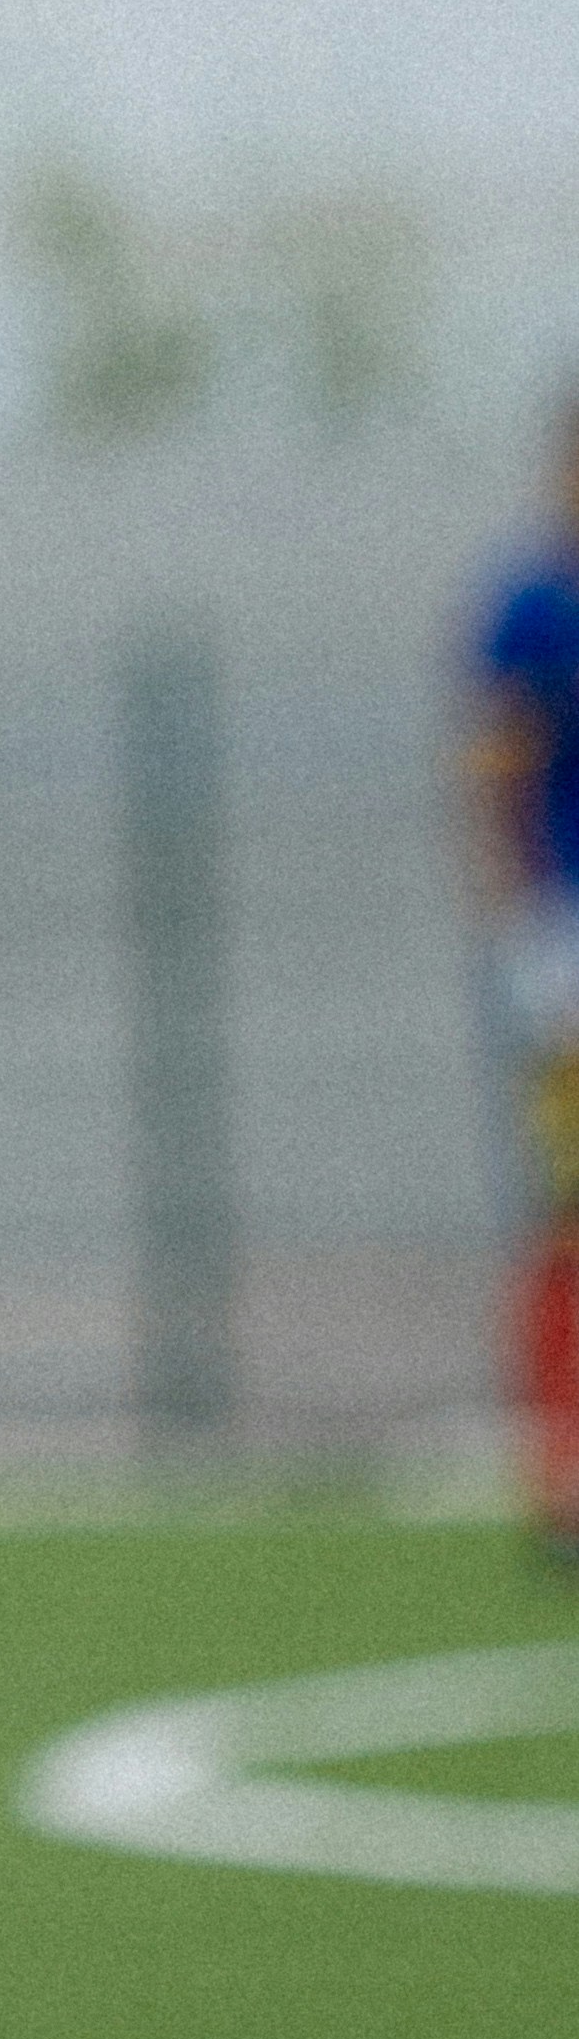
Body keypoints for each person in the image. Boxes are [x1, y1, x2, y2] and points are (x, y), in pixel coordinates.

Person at [462, 396, 579, 1556]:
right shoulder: (533, 607)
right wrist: (523, 933)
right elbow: (496, 768)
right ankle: (558, 1465)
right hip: (567, 944)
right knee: (565, 1210)